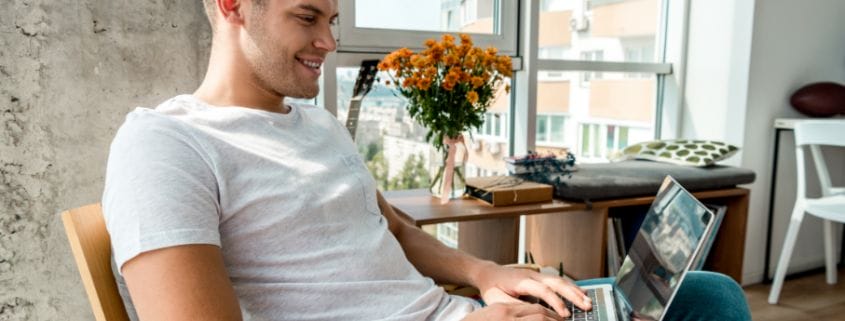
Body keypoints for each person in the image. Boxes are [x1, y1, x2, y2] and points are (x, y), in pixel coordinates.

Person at [102, 0, 751, 320]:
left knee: (705, 295)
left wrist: (487, 273)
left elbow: (387, 224)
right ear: (231, 5)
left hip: (461, 311)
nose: (328, 41)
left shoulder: (317, 123)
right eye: (307, 17)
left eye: (332, 17)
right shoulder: (165, 145)